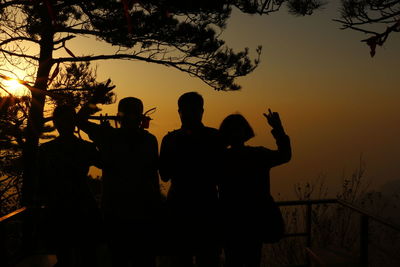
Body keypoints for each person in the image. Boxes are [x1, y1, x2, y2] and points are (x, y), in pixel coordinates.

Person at [77, 96, 161, 267]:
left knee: (119, 258)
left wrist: (94, 99)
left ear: (118, 117)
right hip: (139, 212)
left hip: (117, 212)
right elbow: (154, 176)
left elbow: (79, 120)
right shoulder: (149, 140)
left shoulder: (107, 135)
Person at [218, 110, 292, 267]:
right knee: (252, 260)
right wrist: (278, 129)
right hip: (254, 221)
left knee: (233, 260)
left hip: (231, 222)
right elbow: (285, 155)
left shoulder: (220, 159)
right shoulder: (258, 155)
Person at [159, 92, 223, 267]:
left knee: (181, 258)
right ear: (202, 111)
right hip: (207, 204)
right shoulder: (215, 136)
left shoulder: (170, 139)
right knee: (208, 258)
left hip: (180, 205)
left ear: (179, 111)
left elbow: (164, 175)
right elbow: (222, 174)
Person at [36, 105, 103, 267]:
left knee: (67, 256)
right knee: (86, 255)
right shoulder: (85, 147)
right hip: (81, 205)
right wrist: (101, 136)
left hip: (60, 207)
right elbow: (105, 162)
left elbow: (40, 182)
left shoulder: (46, 149)